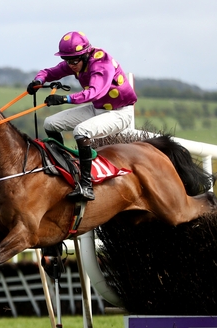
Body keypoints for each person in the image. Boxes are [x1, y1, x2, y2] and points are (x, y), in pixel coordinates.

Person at [26, 31, 137, 201]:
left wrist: (64, 99)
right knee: (50, 123)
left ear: (85, 55)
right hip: (98, 108)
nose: (70, 65)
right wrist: (38, 81)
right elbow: (49, 72)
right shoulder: (76, 60)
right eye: (66, 60)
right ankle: (63, 166)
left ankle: (86, 186)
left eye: (73, 61)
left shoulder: (101, 63)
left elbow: (94, 93)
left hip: (120, 113)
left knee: (81, 131)